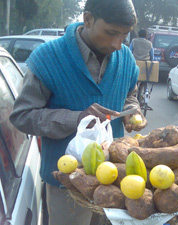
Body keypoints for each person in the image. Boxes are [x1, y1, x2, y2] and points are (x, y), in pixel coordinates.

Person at [9, 0, 146, 224]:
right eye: (111, 33)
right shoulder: (47, 58)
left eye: (124, 35)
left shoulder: (126, 59)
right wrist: (77, 119)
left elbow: (130, 94)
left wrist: (132, 111)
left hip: (115, 181)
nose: (118, 44)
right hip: (66, 186)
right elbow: (22, 116)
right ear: (88, 19)